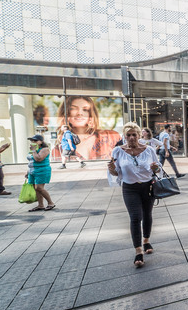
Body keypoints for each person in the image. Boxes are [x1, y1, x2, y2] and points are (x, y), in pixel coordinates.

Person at [107, 122, 161, 268]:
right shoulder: (118, 151)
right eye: (128, 135)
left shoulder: (149, 150)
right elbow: (116, 173)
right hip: (129, 188)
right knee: (135, 218)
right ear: (125, 136)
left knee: (147, 214)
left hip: (147, 186)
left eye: (134, 134)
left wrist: (155, 168)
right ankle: (138, 251)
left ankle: (146, 240)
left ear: (139, 135)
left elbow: (158, 168)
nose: (131, 137)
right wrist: (112, 169)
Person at [56, 96, 121, 160]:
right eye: (74, 108)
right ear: (66, 114)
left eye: (85, 109)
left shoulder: (111, 136)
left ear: (90, 114)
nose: (80, 113)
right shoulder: (59, 150)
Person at [26, 134, 55, 212]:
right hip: (33, 171)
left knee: (39, 188)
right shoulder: (33, 150)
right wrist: (28, 172)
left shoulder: (44, 149)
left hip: (42, 170)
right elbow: (31, 161)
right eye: (32, 140)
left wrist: (34, 150)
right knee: (36, 188)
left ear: (41, 141)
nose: (33, 142)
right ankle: (40, 205)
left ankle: (50, 203)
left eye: (35, 140)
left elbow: (38, 159)